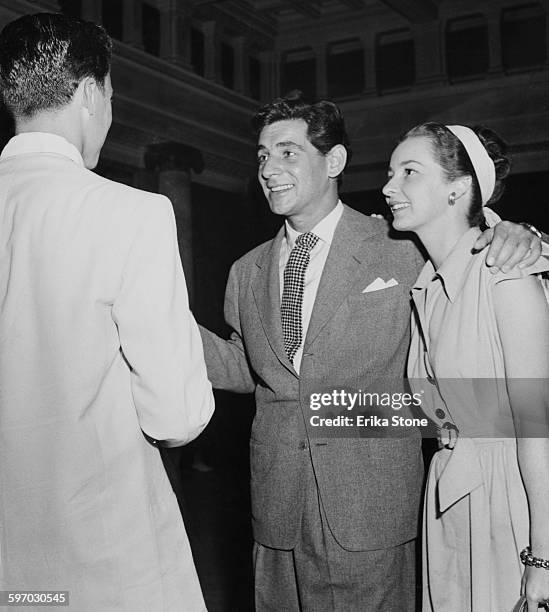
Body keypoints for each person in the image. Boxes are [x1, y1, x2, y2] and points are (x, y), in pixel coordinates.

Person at [199, 91, 543, 611]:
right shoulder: (246, 271)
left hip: (373, 509)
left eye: (288, 152)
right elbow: (247, 367)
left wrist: (516, 230)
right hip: (276, 505)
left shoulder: (401, 245)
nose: (270, 168)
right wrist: (155, 325)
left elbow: (466, 233)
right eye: (263, 156)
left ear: (333, 161)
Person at [0, 13, 214, 611]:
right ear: (92, 93)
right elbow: (177, 415)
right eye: (113, 96)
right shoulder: (131, 213)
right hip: (99, 558)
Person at [383, 122, 549, 611]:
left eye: (409, 172)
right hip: (449, 497)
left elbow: (538, 426)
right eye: (392, 172)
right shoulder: (427, 287)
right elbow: (439, 412)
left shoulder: (506, 273)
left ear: (458, 188)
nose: (390, 187)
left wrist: (543, 557)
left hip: (512, 499)